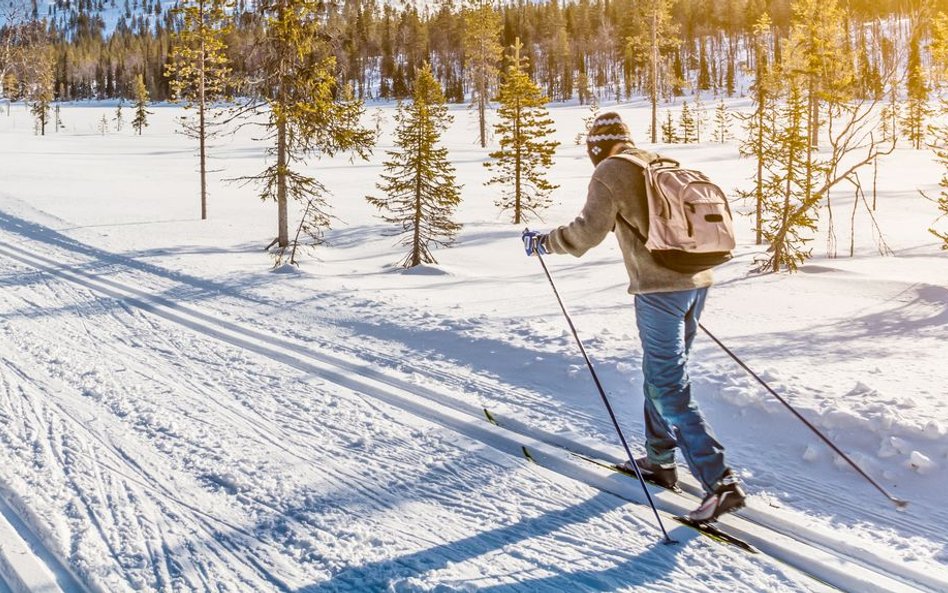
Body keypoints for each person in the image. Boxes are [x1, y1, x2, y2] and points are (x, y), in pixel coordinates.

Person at [522, 112, 746, 522]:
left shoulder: (611, 170)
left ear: (595, 147)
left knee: (666, 385)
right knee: (660, 376)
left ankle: (720, 482)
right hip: (696, 284)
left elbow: (586, 233)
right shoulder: (658, 162)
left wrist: (543, 243)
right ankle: (660, 461)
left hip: (660, 291)